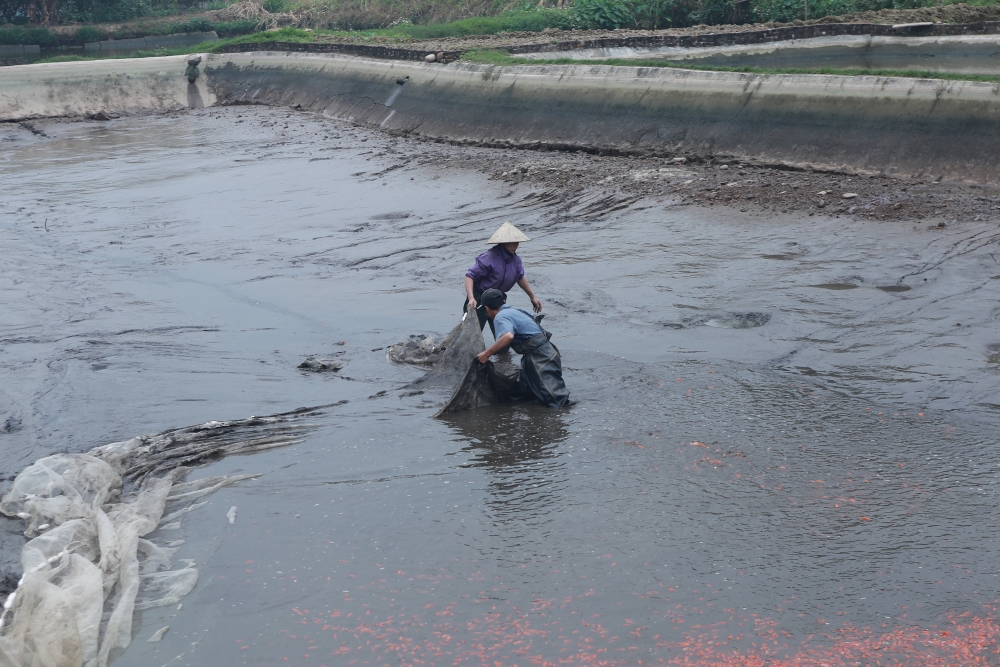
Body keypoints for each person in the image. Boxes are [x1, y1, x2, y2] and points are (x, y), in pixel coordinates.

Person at [475, 289, 570, 408]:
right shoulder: (518, 311)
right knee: (520, 392)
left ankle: (565, 419)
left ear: (486, 308)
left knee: (556, 399)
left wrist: (486, 354)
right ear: (503, 301)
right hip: (547, 352)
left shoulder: (501, 317)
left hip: (540, 358)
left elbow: (508, 336)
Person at [464, 222, 543, 337]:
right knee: (472, 333)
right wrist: (471, 298)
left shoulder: (516, 260)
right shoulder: (489, 257)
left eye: (517, 242)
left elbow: (519, 277)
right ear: (503, 242)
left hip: (498, 298)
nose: (515, 245)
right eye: (512, 243)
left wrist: (533, 297)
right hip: (480, 297)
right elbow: (470, 276)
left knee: (503, 331)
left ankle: (502, 354)